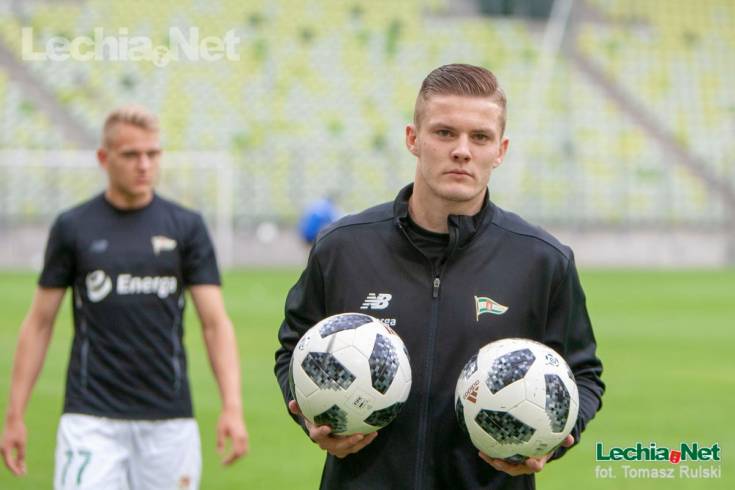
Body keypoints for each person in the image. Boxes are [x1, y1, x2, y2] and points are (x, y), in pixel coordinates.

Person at [274, 64, 604, 489]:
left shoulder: (542, 260)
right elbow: (294, 348)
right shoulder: (343, 247)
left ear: (500, 150)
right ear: (413, 138)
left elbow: (583, 375)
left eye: (480, 137)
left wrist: (552, 440)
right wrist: (309, 415)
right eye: (445, 133)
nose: (462, 151)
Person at [0, 105, 249, 489]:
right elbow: (39, 323)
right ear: (104, 158)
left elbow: (215, 324)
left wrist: (232, 406)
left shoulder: (186, 227)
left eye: (153, 153)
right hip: (90, 419)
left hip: (169, 422)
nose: (144, 165)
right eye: (131, 154)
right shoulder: (73, 227)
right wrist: (15, 414)